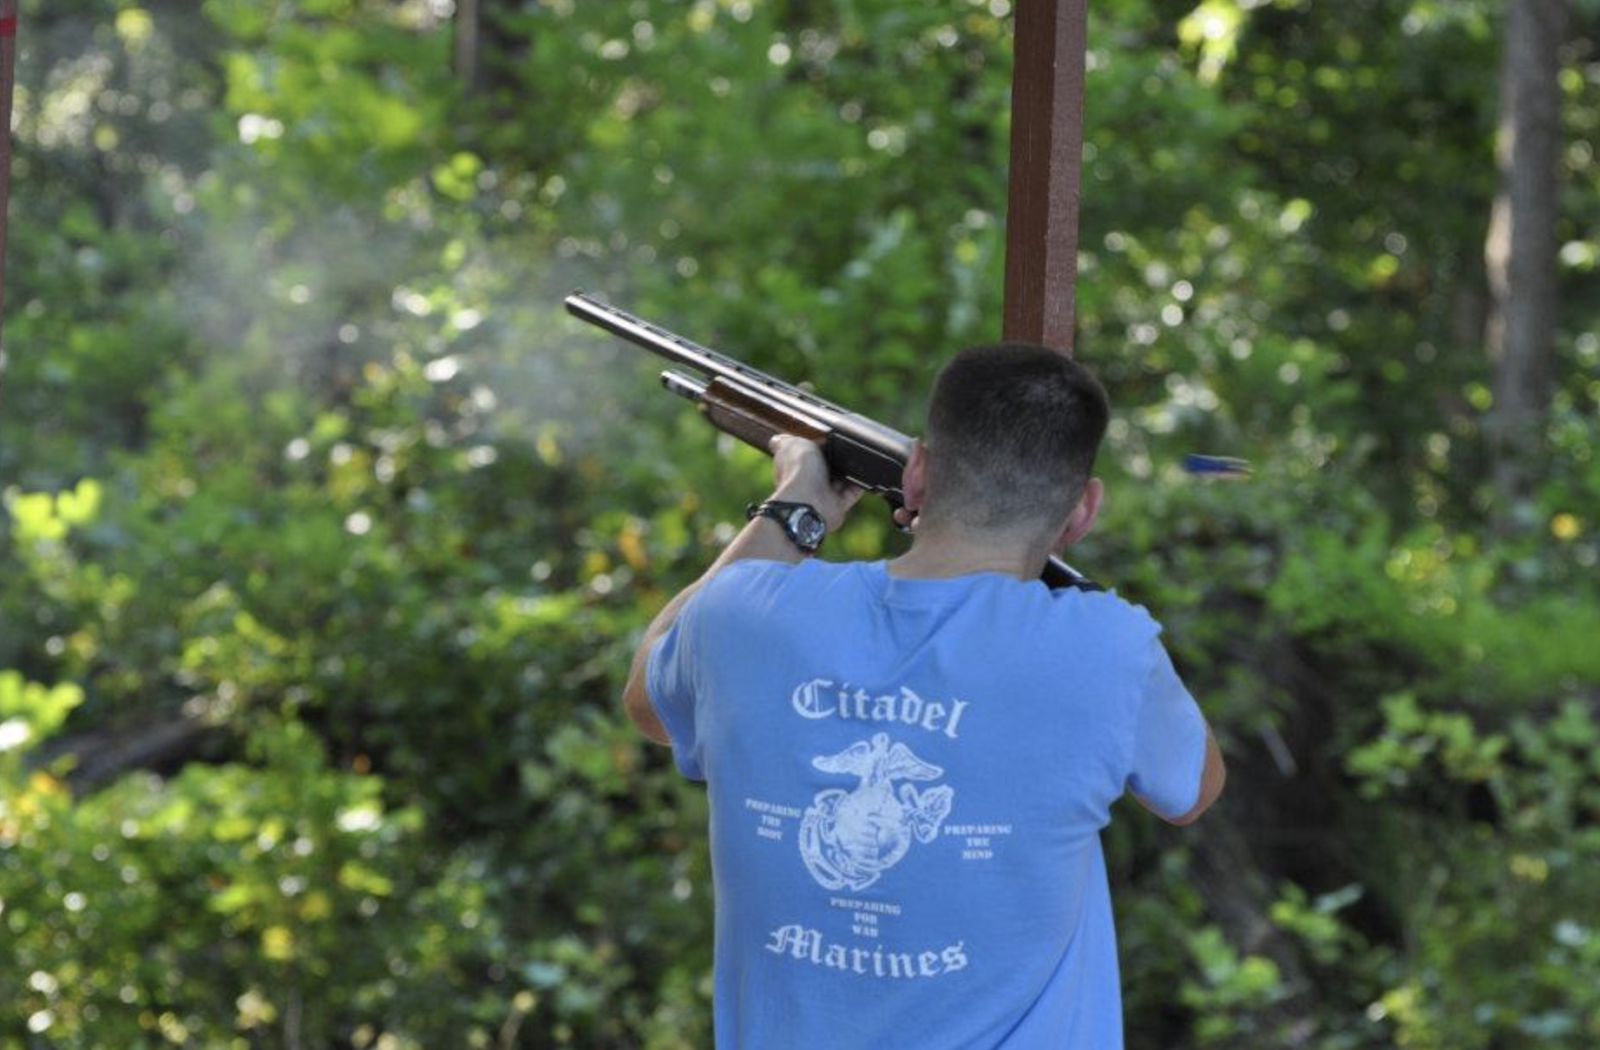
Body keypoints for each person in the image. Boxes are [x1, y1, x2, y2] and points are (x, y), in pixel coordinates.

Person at [621, 342, 1226, 1049]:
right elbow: (1194, 789)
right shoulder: (1108, 649)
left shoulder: (742, 615)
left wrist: (795, 505)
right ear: (1083, 510)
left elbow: (648, 697)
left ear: (916, 472)